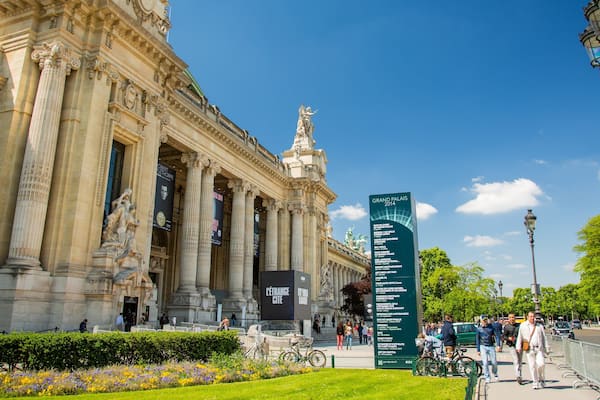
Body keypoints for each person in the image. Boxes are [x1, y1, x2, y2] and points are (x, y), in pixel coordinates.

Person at [516, 311, 550, 389]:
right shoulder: (523, 325)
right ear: (527, 317)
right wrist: (518, 346)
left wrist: (547, 347)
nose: (532, 318)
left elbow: (544, 337)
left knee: (541, 364)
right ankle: (535, 382)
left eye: (533, 316)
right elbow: (520, 336)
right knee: (532, 366)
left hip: (539, 348)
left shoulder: (539, 326)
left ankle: (541, 379)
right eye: (530, 316)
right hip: (529, 349)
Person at [476, 316, 501, 383]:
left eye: (486, 320)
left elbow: (497, 336)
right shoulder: (479, 329)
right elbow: (477, 339)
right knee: (485, 362)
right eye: (483, 320)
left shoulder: (491, 327)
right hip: (483, 346)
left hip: (491, 346)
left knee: (494, 362)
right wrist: (478, 350)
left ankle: (495, 373)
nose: (485, 321)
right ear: (481, 321)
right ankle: (487, 377)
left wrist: (498, 345)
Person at [503, 313, 523, 384]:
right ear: (508, 318)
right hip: (512, 345)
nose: (512, 319)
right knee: (516, 360)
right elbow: (503, 336)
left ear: (515, 318)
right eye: (510, 317)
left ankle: (520, 374)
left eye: (513, 317)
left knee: (520, 361)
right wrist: (508, 338)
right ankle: (518, 376)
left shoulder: (519, 326)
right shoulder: (506, 327)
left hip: (520, 345)